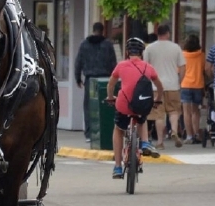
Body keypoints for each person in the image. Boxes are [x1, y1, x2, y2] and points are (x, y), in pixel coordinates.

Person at [105, 38, 164, 178]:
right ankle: (144, 143)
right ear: (142, 53)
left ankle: (118, 167)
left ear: (127, 52)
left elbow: (111, 85)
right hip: (140, 103)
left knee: (118, 129)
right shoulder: (148, 67)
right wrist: (158, 99)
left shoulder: (121, 65)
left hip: (123, 104)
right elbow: (160, 86)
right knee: (141, 117)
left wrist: (110, 97)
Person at [75, 22, 118, 142]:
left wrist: (78, 78)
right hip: (105, 78)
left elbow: (78, 62)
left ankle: (89, 133)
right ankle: (105, 131)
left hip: (90, 79)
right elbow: (113, 62)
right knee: (105, 106)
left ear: (93, 30)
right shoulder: (107, 44)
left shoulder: (84, 44)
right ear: (103, 31)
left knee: (89, 107)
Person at [144, 24, 186, 149]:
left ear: (157, 34)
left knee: (158, 114)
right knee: (174, 111)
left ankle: (160, 142)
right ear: (168, 33)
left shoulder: (150, 48)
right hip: (172, 85)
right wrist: (179, 81)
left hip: (156, 86)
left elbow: (145, 67)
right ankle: (173, 130)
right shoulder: (176, 47)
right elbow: (183, 67)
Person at [180, 34, 205, 145]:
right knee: (195, 111)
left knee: (186, 112)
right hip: (198, 85)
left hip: (185, 84)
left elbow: (179, 70)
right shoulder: (201, 55)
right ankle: (196, 134)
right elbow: (204, 69)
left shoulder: (182, 56)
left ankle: (189, 136)